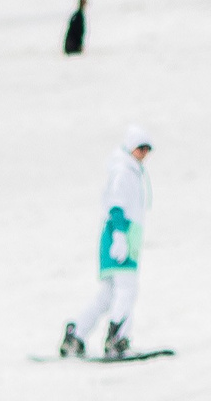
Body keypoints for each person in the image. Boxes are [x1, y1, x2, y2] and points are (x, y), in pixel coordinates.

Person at [59, 125, 153, 359]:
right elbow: (116, 204)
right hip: (119, 238)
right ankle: (116, 338)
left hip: (124, 238)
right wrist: (119, 236)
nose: (143, 153)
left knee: (108, 293)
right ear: (131, 147)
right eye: (140, 148)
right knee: (127, 289)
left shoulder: (131, 171)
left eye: (147, 149)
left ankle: (76, 334)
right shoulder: (124, 172)